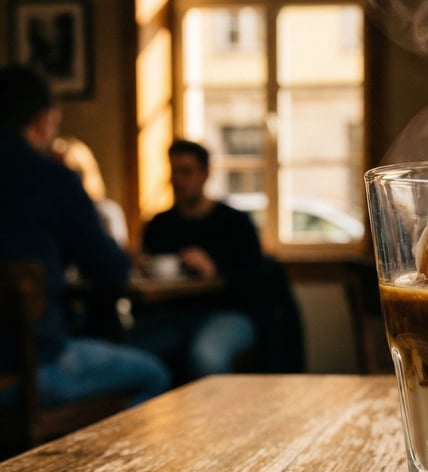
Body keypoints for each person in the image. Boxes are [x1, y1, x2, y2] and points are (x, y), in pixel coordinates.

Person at [0, 64, 170, 408]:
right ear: (44, 121)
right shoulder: (51, 180)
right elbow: (111, 270)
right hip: (32, 368)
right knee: (154, 375)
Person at [128, 139, 263, 382]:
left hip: (228, 312)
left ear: (205, 174)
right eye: (174, 171)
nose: (179, 180)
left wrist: (214, 269)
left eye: (187, 172)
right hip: (172, 313)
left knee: (205, 356)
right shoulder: (159, 224)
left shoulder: (234, 223)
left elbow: (254, 280)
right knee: (132, 354)